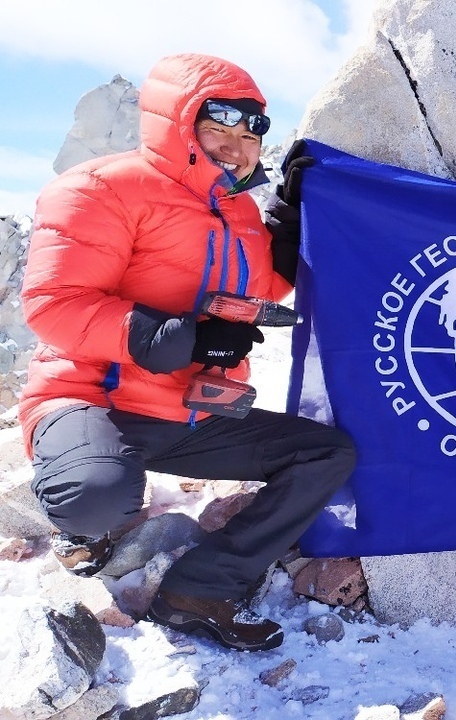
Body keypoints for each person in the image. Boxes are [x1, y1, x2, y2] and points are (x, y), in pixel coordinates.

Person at [19, 53, 356, 652]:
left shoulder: (238, 211)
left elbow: (260, 288)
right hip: (92, 398)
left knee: (325, 455)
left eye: (250, 135)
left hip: (189, 414)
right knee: (97, 496)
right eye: (218, 129)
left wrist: (292, 219)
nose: (236, 147)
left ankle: (200, 590)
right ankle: (87, 530)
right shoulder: (101, 188)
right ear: (177, 126)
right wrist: (179, 337)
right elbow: (55, 304)